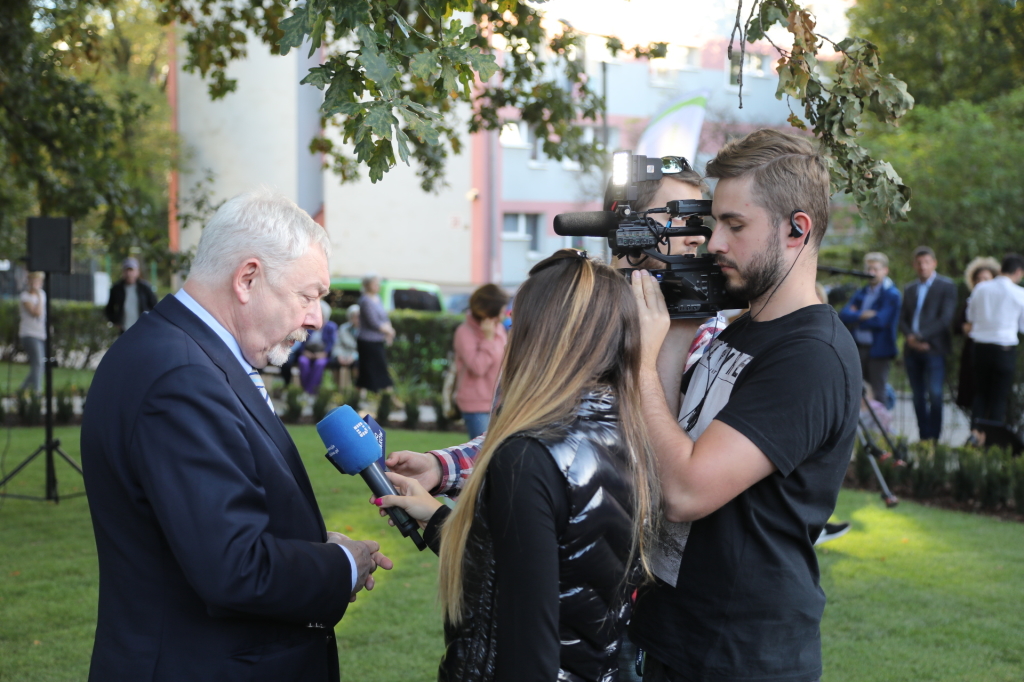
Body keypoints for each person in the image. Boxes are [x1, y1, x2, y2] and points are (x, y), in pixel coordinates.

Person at [80, 190, 392, 682]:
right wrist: (341, 565)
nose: (316, 318)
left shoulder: (186, 355)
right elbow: (234, 568)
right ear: (247, 279)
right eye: (308, 296)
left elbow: (206, 525)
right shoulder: (181, 376)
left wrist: (309, 544)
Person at [629, 129, 860, 681]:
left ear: (795, 230)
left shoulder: (810, 356)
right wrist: (679, 328)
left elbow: (684, 491)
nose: (713, 244)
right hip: (679, 634)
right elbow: (664, 438)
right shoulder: (743, 328)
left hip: (742, 656)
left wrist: (639, 362)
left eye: (735, 225)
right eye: (716, 224)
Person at [376, 249, 660, 682]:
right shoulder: (628, 436)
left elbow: (530, 647)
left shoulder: (527, 456)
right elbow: (531, 575)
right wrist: (437, 520)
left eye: (516, 324)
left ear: (538, 335)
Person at [385, 154, 724, 497]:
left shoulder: (706, 331)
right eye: (678, 215)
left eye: (698, 219)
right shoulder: (567, 313)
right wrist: (441, 467)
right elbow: (520, 432)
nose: (697, 236)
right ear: (624, 220)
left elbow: (687, 457)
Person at [899, 246, 958, 441]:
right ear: (914, 265)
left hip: (934, 349)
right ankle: (924, 436)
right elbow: (902, 319)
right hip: (912, 350)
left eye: (926, 262)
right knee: (917, 396)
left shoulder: (946, 286)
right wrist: (911, 338)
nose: (922, 266)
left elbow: (945, 319)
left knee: (935, 394)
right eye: (919, 263)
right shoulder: (910, 288)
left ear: (934, 263)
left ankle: (935, 437)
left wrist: (921, 337)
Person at [966, 253, 1024, 427]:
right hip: (1004, 349)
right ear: (1019, 272)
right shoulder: (1019, 293)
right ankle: (991, 440)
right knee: (998, 397)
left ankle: (975, 435)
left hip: (980, 347)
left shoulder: (981, 289)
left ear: (1000, 269)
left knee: (981, 394)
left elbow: (971, 317)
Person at [839, 252, 901, 403]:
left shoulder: (892, 294)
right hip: (858, 347)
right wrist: (865, 315)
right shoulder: (861, 292)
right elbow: (843, 315)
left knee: (878, 391)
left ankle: (880, 425)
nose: (871, 273)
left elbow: (880, 321)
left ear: (885, 270)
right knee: (855, 389)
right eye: (868, 269)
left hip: (879, 350)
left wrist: (856, 318)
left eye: (875, 269)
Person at [453, 283, 509, 439]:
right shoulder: (465, 332)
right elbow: (478, 368)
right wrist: (488, 339)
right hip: (475, 405)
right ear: (489, 311)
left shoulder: (498, 329)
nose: (504, 315)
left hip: (498, 403)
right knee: (481, 454)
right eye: (502, 310)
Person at [955, 257, 999, 411]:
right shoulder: (970, 300)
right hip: (973, 351)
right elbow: (959, 325)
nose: (981, 282)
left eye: (985, 279)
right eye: (978, 279)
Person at [356, 274, 395, 396]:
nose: (378, 286)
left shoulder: (377, 298)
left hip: (378, 340)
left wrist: (389, 330)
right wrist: (390, 331)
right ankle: (387, 397)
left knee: (377, 369)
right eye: (375, 283)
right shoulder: (365, 300)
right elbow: (373, 322)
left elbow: (384, 317)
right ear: (368, 285)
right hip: (368, 342)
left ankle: (364, 399)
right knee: (371, 370)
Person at [104, 257, 158, 333]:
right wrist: (116, 321)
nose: (129, 273)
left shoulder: (145, 288)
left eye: (131, 270)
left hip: (143, 328)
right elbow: (109, 309)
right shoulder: (116, 289)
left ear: (137, 272)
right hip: (124, 329)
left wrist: (149, 321)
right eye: (126, 270)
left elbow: (155, 306)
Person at [297, 300, 338, 394]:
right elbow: (301, 341)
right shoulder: (308, 325)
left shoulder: (331, 327)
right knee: (302, 361)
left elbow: (332, 343)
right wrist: (304, 351)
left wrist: (325, 353)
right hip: (308, 352)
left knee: (319, 364)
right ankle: (306, 390)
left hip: (323, 354)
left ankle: (310, 392)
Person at [18, 271, 46, 393]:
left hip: (41, 334)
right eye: (34, 281)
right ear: (29, 282)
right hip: (29, 334)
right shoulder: (25, 296)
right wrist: (39, 295)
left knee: (39, 365)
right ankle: (37, 392)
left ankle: (21, 391)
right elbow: (37, 312)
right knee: (38, 364)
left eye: (39, 281)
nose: (37, 283)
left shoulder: (43, 294)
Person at [331, 304, 360, 388]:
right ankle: (339, 389)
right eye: (355, 317)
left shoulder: (365, 330)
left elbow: (364, 348)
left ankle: (357, 390)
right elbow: (337, 344)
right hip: (343, 355)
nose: (357, 319)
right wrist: (339, 356)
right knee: (334, 363)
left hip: (357, 356)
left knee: (358, 365)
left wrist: (354, 356)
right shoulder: (343, 328)